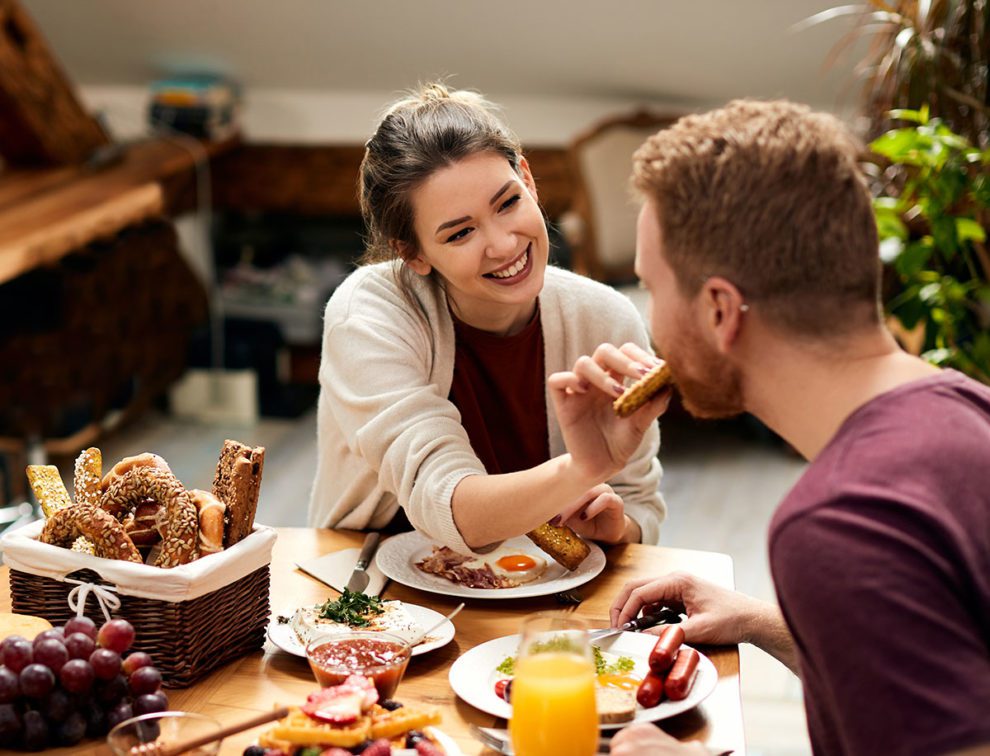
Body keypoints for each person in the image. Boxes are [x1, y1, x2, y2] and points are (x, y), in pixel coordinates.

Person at [544, 100, 990, 755]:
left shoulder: (842, 523)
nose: (650, 325)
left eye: (653, 289)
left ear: (721, 309)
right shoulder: (963, 404)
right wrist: (766, 622)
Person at [307, 83, 666, 555]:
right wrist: (581, 468)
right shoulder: (368, 315)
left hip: (550, 593)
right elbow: (444, 502)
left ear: (529, 180)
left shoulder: (603, 317)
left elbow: (641, 502)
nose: (502, 244)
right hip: (375, 591)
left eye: (508, 203)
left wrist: (616, 528)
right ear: (412, 253)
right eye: (460, 233)